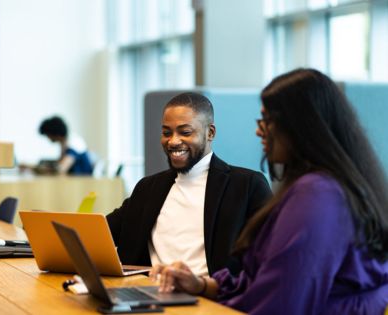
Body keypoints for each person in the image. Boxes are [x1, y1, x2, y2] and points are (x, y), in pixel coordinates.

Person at [151, 69, 388, 314]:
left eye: (267, 120)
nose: (259, 130)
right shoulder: (321, 187)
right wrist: (200, 285)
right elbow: (262, 283)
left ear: (299, 126)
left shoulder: (318, 195)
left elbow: (281, 304)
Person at [106, 92, 271, 276]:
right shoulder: (148, 188)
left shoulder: (247, 186)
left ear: (210, 133)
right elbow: (101, 232)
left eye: (185, 132)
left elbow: (268, 258)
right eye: (166, 133)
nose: (173, 141)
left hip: (211, 298)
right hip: (149, 297)